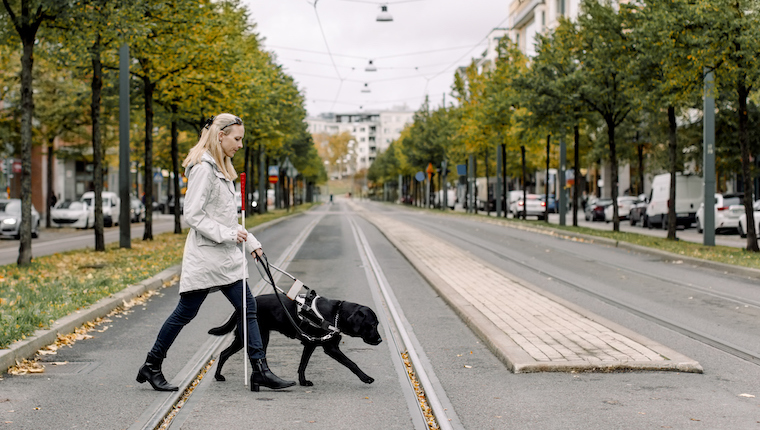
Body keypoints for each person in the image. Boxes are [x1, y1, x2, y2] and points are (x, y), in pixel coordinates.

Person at [136, 113, 295, 392]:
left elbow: (225, 218)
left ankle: (260, 370)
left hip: (226, 260)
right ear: (220, 136)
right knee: (185, 314)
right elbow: (193, 216)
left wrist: (251, 242)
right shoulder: (203, 169)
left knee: (249, 309)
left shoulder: (221, 170)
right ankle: (151, 365)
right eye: (237, 138)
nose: (240, 145)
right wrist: (231, 235)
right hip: (208, 259)